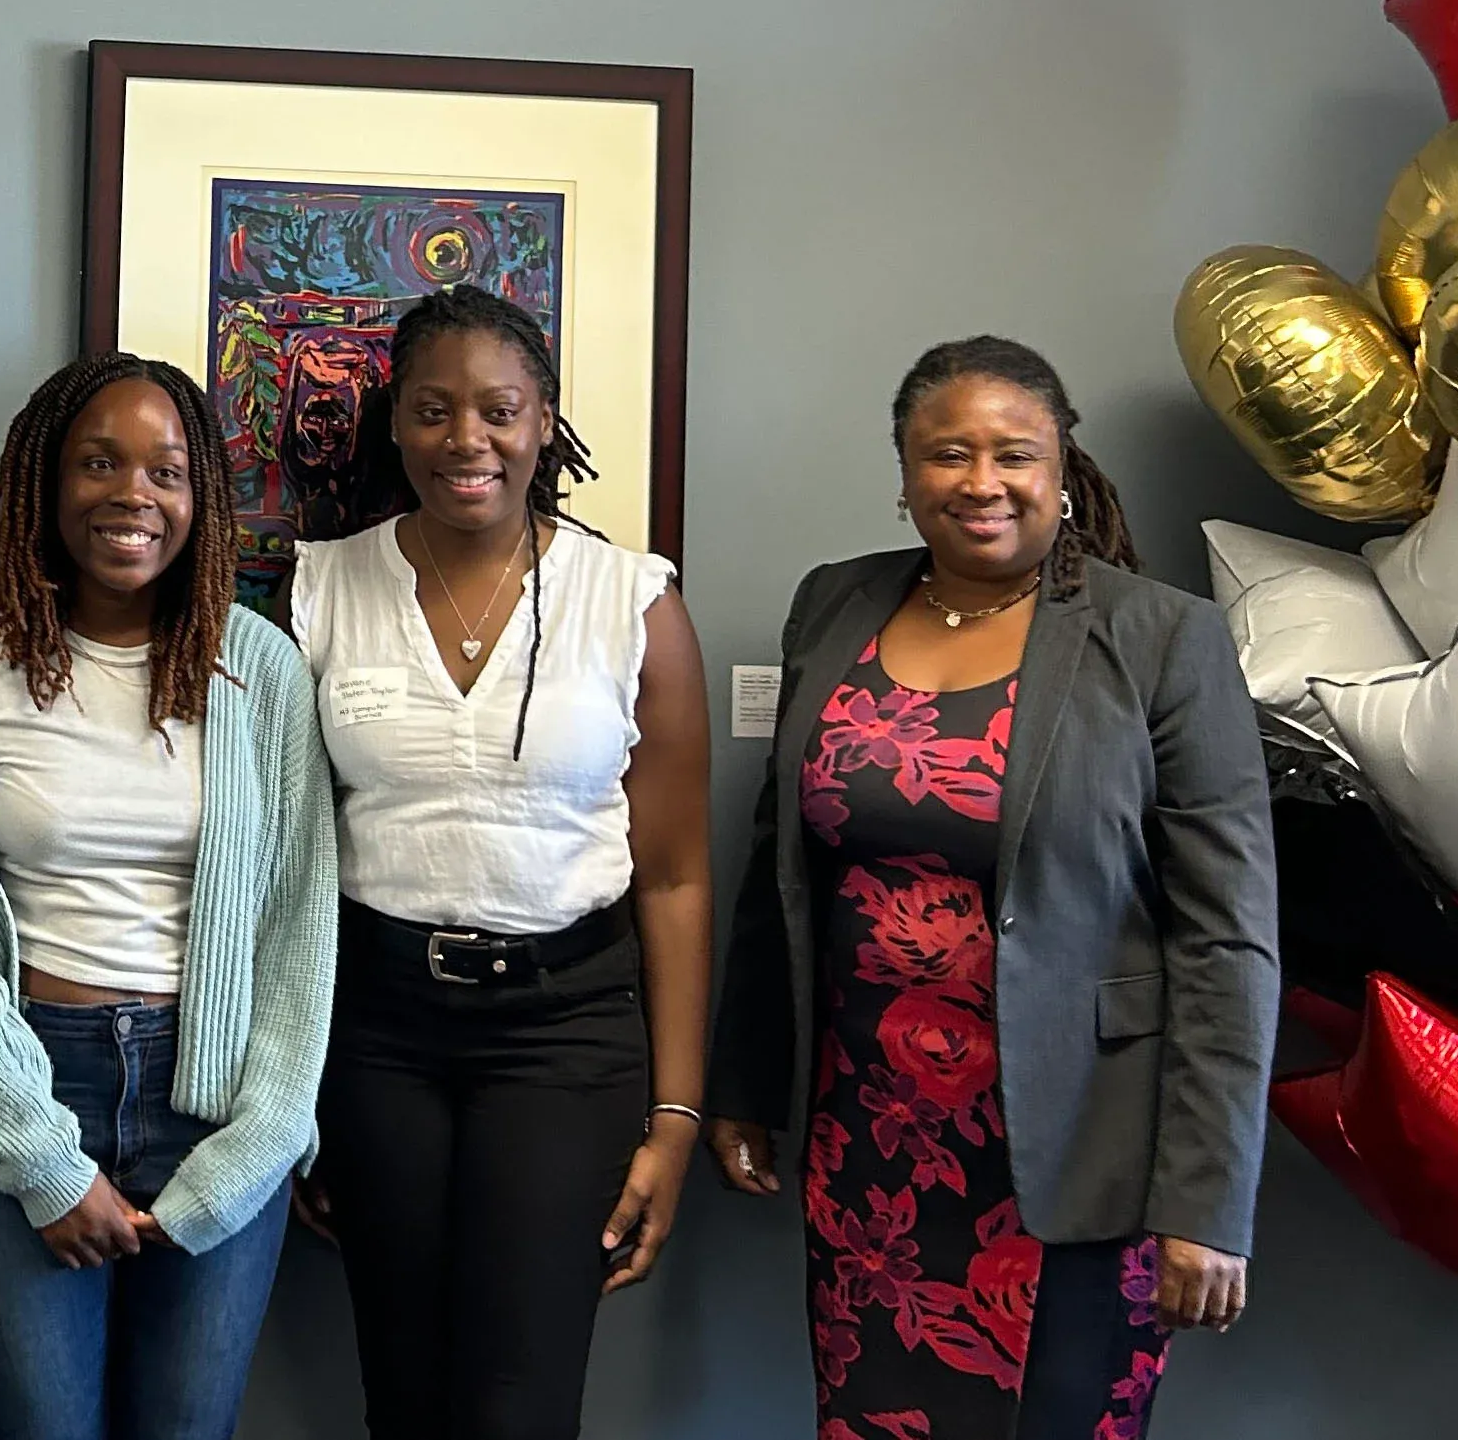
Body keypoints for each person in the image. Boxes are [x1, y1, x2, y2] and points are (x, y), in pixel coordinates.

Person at [706, 337, 1278, 1440]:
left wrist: (1207, 1200)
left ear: (1060, 471)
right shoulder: (832, 606)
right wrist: (745, 1077)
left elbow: (1228, 939)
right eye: (945, 453)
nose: (979, 480)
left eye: (1011, 453)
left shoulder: (1159, 638)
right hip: (869, 1146)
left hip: (1081, 1153)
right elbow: (774, 867)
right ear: (903, 474)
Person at [286, 284, 713, 1440]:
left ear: (543, 423)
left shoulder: (632, 603)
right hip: (372, 1031)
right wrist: (279, 1088)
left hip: (563, 1032)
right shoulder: (318, 591)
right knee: (402, 1389)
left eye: (498, 409)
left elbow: (673, 876)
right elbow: (277, 864)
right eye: (432, 410)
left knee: (520, 1401)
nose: (465, 439)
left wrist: (674, 1114)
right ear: (393, 425)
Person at [0, 353, 338, 1440]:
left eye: (164, 470)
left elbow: (297, 929)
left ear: (200, 500)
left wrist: (251, 1150)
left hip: (214, 1094)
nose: (130, 493)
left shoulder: (257, 671)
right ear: (44, 482)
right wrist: (41, 1157)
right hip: (17, 1080)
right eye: (96, 462)